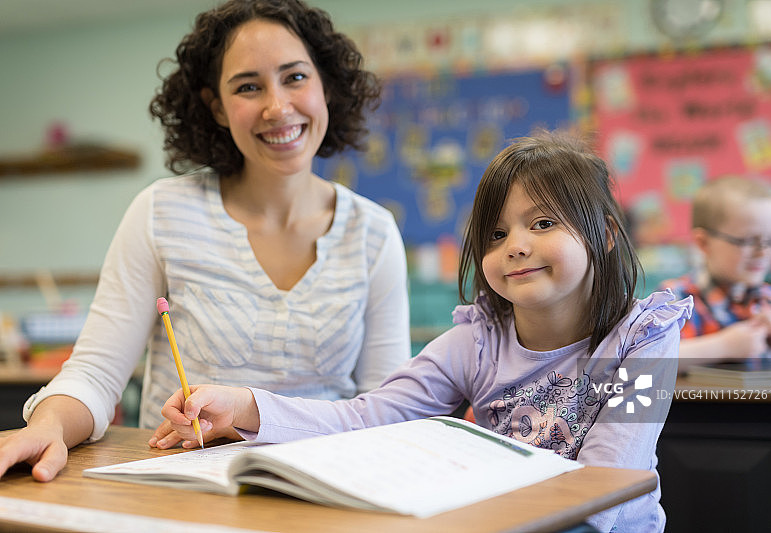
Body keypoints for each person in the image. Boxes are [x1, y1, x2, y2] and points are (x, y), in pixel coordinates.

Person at [160, 131, 693, 533]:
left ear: (601, 235)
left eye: (544, 223)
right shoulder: (478, 341)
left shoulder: (639, 339)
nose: (516, 245)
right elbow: (367, 418)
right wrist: (246, 406)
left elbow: (606, 483)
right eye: (498, 232)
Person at [0, 0, 410, 482]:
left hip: (325, 494)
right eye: (248, 87)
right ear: (216, 105)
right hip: (177, 491)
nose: (277, 107)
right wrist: (47, 424)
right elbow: (95, 373)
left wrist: (256, 418)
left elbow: (387, 410)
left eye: (295, 77)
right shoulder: (161, 213)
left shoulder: (374, 233)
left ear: (326, 86)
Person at [659, 175, 771, 374]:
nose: (763, 252)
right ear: (703, 243)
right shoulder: (674, 299)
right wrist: (724, 346)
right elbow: (646, 362)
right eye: (748, 241)